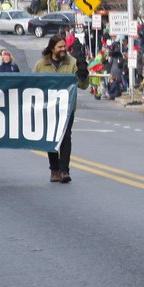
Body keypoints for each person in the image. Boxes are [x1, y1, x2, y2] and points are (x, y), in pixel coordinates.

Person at [34, 35, 89, 184]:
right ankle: (54, 169)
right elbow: (33, 86)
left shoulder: (72, 63)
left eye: (64, 46)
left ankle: (64, 171)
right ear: (52, 48)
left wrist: (84, 73)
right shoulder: (41, 65)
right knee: (51, 137)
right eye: (60, 46)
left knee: (65, 137)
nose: (63, 49)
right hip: (48, 107)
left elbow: (83, 86)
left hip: (67, 107)